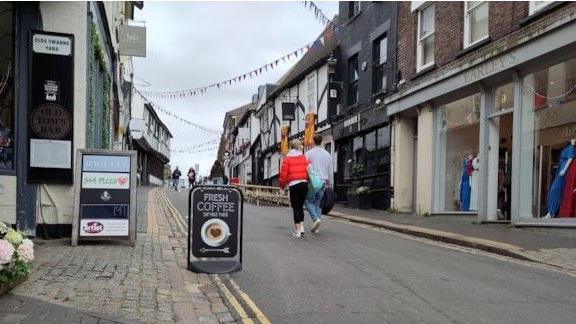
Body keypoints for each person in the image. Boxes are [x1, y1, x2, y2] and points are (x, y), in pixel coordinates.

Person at [279, 139, 309, 238]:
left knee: (296, 207)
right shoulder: (304, 157)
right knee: (301, 206)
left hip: (294, 184)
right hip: (304, 184)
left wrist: (282, 187)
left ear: (291, 147)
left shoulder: (287, 158)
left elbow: (283, 174)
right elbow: (308, 170)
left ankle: (297, 231)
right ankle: (302, 228)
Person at [305, 134, 333, 234]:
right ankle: (317, 227)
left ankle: (316, 219)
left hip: (313, 181)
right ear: (321, 141)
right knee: (318, 204)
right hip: (323, 181)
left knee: (308, 202)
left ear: (313, 141)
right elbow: (330, 170)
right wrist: (330, 183)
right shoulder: (327, 154)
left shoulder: (308, 153)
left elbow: (306, 168)